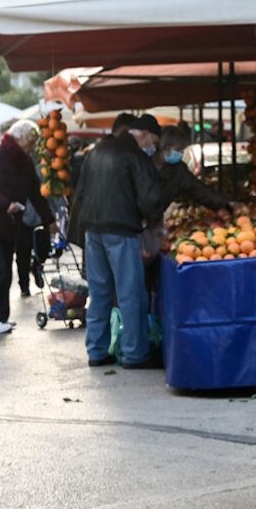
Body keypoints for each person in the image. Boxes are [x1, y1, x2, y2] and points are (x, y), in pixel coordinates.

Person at [74, 114, 165, 368]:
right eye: (154, 142)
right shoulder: (135, 155)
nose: (153, 148)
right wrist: (152, 220)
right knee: (130, 293)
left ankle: (96, 351)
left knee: (100, 292)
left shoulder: (97, 150)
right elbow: (150, 199)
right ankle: (135, 353)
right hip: (121, 231)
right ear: (145, 134)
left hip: (92, 230)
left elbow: (79, 191)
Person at [0, 120, 59, 333]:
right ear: (18, 138)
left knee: (5, 272)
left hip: (9, 225)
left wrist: (50, 220)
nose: (31, 146)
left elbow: (35, 195)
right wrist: (5, 203)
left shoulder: (25, 161)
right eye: (29, 142)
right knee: (0, 270)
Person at [142, 125, 233, 307]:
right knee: (137, 278)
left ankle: (150, 314)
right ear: (166, 148)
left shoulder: (178, 171)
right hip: (137, 226)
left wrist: (226, 203)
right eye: (179, 149)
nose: (181, 153)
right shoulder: (143, 164)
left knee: (150, 273)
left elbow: (199, 191)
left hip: (155, 227)